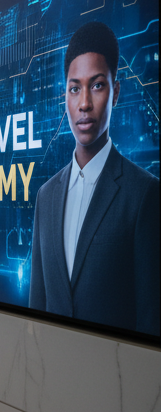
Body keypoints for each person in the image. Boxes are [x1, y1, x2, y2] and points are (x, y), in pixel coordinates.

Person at [29, 21, 159, 335]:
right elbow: (35, 312)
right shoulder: (46, 197)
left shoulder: (144, 195)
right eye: (75, 88)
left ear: (116, 91)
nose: (84, 103)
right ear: (66, 96)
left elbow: (151, 321)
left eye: (97, 85)